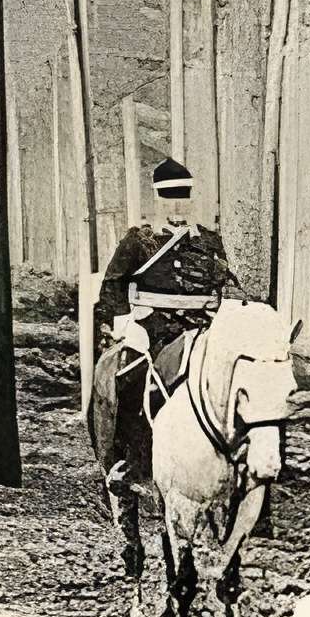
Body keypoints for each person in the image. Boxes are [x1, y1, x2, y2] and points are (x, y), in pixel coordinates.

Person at [94, 157, 243, 485]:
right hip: (153, 325)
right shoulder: (140, 240)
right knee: (131, 376)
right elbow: (113, 284)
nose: (177, 206)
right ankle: (128, 460)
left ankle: (243, 464)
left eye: (183, 198)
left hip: (201, 324)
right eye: (169, 199)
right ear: (158, 201)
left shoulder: (208, 241)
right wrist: (120, 320)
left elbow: (227, 283)